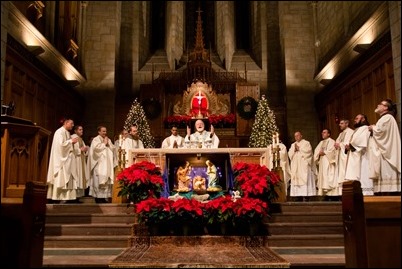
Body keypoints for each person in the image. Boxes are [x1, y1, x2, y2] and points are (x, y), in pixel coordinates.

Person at [368, 99, 401, 195]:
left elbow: (380, 132)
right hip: (384, 151)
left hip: (387, 153)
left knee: (387, 175)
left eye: (380, 104)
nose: (378, 105)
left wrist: (373, 128)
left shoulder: (387, 118)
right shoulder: (385, 118)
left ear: (386, 108)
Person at [46, 117, 79, 203]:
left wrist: (71, 142)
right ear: (66, 123)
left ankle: (66, 197)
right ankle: (58, 197)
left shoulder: (67, 133)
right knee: (61, 178)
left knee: (67, 178)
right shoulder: (59, 132)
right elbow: (60, 146)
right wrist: (71, 142)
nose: (73, 125)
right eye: (71, 123)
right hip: (61, 161)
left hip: (67, 160)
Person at [344, 114, 373, 195]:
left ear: (363, 119)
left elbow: (361, 141)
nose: (354, 120)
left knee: (364, 174)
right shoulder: (358, 129)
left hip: (364, 156)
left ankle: (367, 194)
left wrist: (350, 146)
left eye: (357, 118)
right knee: (358, 176)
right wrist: (348, 146)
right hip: (357, 155)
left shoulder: (365, 128)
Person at [87, 126, 116, 203]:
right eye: (103, 131)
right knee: (98, 180)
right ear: (99, 132)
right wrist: (104, 144)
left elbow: (113, 148)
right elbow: (96, 149)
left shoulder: (108, 139)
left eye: (105, 131)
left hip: (106, 165)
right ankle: (98, 198)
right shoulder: (96, 140)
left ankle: (104, 197)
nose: (105, 133)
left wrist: (108, 144)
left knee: (106, 181)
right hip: (99, 164)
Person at [288, 131, 316, 201]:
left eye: (298, 135)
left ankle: (306, 195)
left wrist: (299, 149)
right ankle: (297, 196)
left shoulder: (306, 143)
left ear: (301, 136)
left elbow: (309, 152)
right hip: (296, 166)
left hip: (303, 165)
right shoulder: (293, 145)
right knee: (296, 179)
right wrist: (294, 149)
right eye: (295, 136)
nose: (296, 137)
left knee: (305, 178)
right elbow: (289, 154)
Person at [314, 128, 338, 200]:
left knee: (329, 177)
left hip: (328, 163)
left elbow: (333, 152)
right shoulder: (321, 142)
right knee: (323, 178)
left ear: (328, 134)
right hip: (322, 162)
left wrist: (324, 152)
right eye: (322, 132)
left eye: (324, 132)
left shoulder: (332, 141)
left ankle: (332, 195)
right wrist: (318, 154)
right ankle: (325, 195)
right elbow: (316, 151)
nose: (322, 134)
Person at [334, 119, 354, 192]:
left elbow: (349, 143)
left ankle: (348, 190)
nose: (340, 125)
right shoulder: (341, 134)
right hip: (340, 156)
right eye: (340, 123)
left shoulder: (351, 132)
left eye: (341, 123)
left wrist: (340, 145)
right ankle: (341, 192)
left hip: (346, 156)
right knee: (341, 173)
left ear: (347, 123)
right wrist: (336, 145)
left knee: (346, 172)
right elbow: (338, 142)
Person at [71, 125, 90, 198]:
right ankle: (74, 196)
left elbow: (83, 149)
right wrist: (80, 150)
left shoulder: (81, 139)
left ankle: (78, 196)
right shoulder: (73, 137)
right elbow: (72, 149)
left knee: (81, 177)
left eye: (82, 129)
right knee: (77, 176)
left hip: (81, 160)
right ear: (75, 131)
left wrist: (85, 150)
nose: (81, 131)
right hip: (76, 160)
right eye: (80, 129)